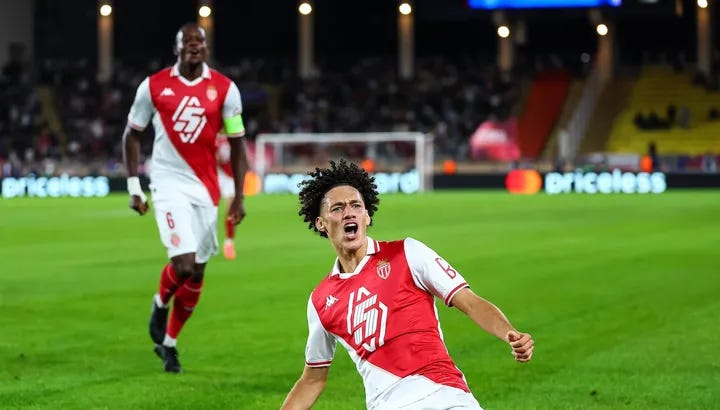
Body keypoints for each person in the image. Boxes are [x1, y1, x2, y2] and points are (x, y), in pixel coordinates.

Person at [281, 159, 534, 410]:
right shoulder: (320, 301)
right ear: (321, 223)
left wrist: (509, 333)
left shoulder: (407, 253)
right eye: (337, 208)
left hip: (446, 398)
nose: (348, 212)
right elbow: (313, 379)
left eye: (356, 205)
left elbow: (470, 302)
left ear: (366, 216)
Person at [122, 22, 249, 373]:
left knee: (197, 273)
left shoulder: (225, 89)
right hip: (167, 183)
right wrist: (134, 186)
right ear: (176, 48)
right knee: (184, 264)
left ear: (206, 48)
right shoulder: (153, 86)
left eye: (200, 41)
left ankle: (169, 344)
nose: (194, 45)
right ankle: (159, 303)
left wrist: (239, 196)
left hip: (206, 189)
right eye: (187, 41)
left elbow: (238, 145)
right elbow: (132, 135)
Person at [215, 133, 243, 260]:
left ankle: (229, 242)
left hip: (228, 175)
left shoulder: (232, 135)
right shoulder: (211, 133)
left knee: (231, 210)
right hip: (212, 174)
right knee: (208, 210)